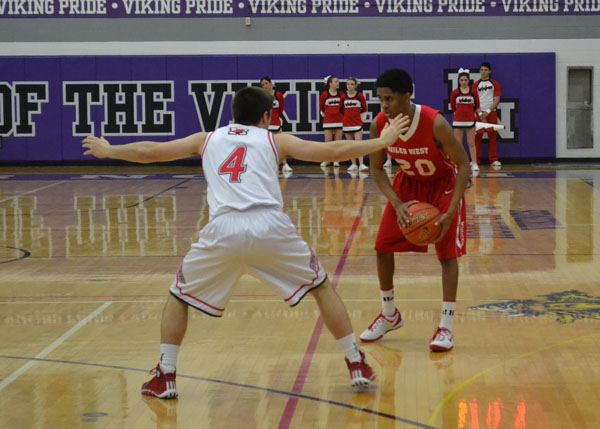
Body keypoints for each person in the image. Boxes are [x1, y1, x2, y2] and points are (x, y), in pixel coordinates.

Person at [81, 86, 410, 398]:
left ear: (232, 114)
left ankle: (165, 373)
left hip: (222, 229)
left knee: (179, 298)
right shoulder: (274, 139)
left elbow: (152, 151)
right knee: (321, 288)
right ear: (266, 116)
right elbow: (331, 150)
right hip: (269, 227)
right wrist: (380, 141)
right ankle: (355, 362)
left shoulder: (207, 138)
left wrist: (110, 150)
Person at [360, 69, 470, 352]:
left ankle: (446, 326)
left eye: (389, 99)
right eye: (380, 99)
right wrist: (396, 203)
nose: (384, 105)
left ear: (406, 97)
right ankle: (389, 314)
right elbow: (375, 168)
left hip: (442, 186)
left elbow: (464, 165)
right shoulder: (380, 124)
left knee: (447, 255)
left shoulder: (435, 123)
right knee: (382, 246)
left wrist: (452, 208)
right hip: (407, 186)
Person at [472, 62, 502, 169]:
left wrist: (487, 112)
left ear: (489, 71)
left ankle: (493, 159)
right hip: (479, 114)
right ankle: (476, 160)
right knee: (477, 136)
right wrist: (480, 113)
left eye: (485, 70)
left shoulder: (494, 84)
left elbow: (497, 99)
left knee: (493, 136)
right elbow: (474, 101)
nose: (483, 72)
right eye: (481, 70)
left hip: (491, 113)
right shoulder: (475, 85)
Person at [450, 68, 481, 172]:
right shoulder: (455, 92)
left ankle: (474, 163)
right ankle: (456, 164)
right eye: (462, 80)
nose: (463, 82)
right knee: (458, 144)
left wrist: (479, 115)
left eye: (465, 80)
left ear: (469, 81)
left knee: (471, 143)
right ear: (459, 81)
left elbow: (477, 106)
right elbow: (453, 107)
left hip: (470, 121)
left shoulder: (473, 92)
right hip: (458, 121)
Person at [260, 76, 292, 172]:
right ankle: (268, 165)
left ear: (270, 84)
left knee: (278, 145)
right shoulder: (262, 96)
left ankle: (285, 165)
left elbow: (281, 109)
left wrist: (276, 118)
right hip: (265, 124)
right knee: (266, 145)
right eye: (262, 85)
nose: (264, 86)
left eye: (266, 83)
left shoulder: (278, 95)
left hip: (276, 122)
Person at [342, 77, 369, 173]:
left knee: (358, 145)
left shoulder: (360, 96)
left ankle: (361, 164)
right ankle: (353, 164)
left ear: (356, 86)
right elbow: (341, 110)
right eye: (348, 84)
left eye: (352, 84)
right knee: (350, 145)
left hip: (357, 123)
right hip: (346, 124)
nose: (350, 86)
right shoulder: (343, 96)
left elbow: (364, 108)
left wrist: (361, 120)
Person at [319, 75, 345, 168]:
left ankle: (336, 160)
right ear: (330, 84)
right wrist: (328, 115)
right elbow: (321, 107)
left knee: (338, 142)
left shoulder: (341, 94)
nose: (338, 83)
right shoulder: (325, 94)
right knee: (328, 142)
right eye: (335, 82)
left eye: (338, 82)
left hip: (339, 121)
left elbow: (344, 107)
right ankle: (327, 160)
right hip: (328, 121)